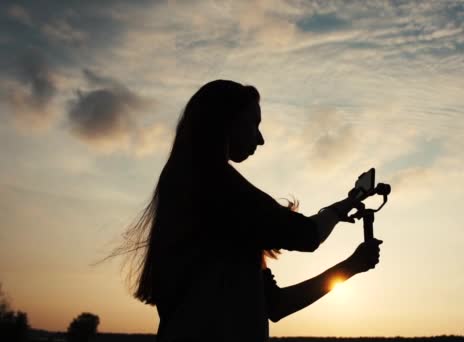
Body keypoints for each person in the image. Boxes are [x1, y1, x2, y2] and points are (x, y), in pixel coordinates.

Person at [112, 80, 382, 342]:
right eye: (254, 124)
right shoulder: (216, 183)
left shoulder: (187, 182)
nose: (261, 139)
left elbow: (274, 305)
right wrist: (340, 211)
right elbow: (307, 235)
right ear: (226, 121)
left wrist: (351, 265)